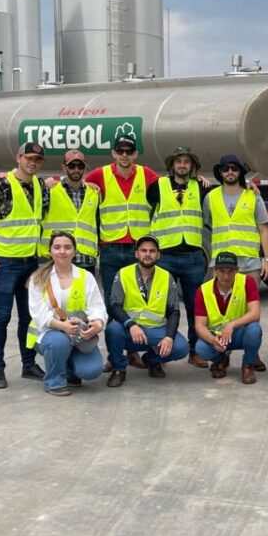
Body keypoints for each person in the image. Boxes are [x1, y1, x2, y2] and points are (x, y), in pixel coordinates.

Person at [0, 142, 50, 389]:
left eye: (38, 159)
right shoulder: (3, 185)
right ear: (18, 158)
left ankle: (28, 365)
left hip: (31, 263)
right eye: (29, 158)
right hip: (5, 263)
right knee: (2, 317)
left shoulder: (40, 186)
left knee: (28, 318)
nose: (33, 162)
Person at [147, 145, 211, 368]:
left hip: (193, 256)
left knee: (196, 307)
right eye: (178, 161)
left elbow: (227, 194)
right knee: (161, 307)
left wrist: (250, 187)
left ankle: (194, 351)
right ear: (172, 165)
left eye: (186, 161)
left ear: (192, 166)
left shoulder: (202, 188)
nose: (182, 165)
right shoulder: (157, 187)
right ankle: (158, 353)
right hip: (165, 257)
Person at [25, 231, 106, 396]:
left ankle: (69, 370)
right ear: (50, 251)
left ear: (74, 251)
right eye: (57, 247)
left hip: (77, 335)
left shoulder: (86, 277)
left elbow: (97, 307)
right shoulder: (38, 278)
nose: (62, 251)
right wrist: (63, 326)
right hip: (48, 333)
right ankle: (54, 381)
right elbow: (38, 313)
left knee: (92, 370)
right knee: (59, 341)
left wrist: (97, 324)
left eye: (67, 247)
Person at [104, 235, 191, 385]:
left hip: (156, 330)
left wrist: (169, 337)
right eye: (143, 250)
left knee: (181, 347)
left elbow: (174, 311)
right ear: (136, 253)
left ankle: (152, 360)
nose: (148, 254)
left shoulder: (166, 277)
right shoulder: (123, 274)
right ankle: (118, 368)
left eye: (152, 251)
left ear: (158, 254)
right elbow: (115, 305)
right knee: (112, 329)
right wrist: (131, 325)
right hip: (130, 331)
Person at [83, 135, 159, 302]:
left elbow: (170, 186)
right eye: (120, 151)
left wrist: (197, 179)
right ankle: (113, 329)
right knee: (112, 298)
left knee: (137, 298)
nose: (124, 155)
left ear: (135, 154)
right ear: (113, 153)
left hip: (138, 247)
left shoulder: (145, 173)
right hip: (111, 248)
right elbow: (76, 185)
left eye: (129, 151)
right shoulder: (100, 174)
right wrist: (86, 184)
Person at [192, 251, 263, 384]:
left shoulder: (247, 282)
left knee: (254, 329)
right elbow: (199, 325)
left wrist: (231, 325)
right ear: (215, 271)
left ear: (237, 271)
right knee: (201, 348)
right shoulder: (203, 290)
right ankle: (220, 360)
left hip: (239, 333)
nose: (226, 276)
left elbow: (255, 313)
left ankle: (248, 365)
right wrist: (212, 340)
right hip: (217, 337)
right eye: (222, 271)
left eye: (230, 271)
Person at [204, 154, 268, 284]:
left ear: (240, 171)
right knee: (221, 304)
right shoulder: (210, 198)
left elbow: (264, 230)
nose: (230, 172)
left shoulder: (253, 196)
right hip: (221, 265)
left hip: (250, 265)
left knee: (250, 304)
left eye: (234, 168)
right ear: (220, 172)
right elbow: (206, 226)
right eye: (226, 169)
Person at [39, 149, 100, 271]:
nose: (76, 170)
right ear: (64, 167)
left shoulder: (94, 193)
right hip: (56, 259)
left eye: (80, 166)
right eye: (72, 166)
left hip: (85, 260)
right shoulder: (50, 190)